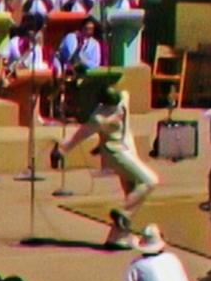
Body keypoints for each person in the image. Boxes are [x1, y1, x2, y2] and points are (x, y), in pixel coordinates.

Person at [60, 87, 160, 248]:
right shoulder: (98, 118)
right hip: (116, 154)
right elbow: (80, 135)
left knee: (133, 192)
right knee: (150, 181)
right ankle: (123, 212)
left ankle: (118, 237)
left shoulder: (124, 98)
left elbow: (124, 94)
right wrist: (62, 150)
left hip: (129, 150)